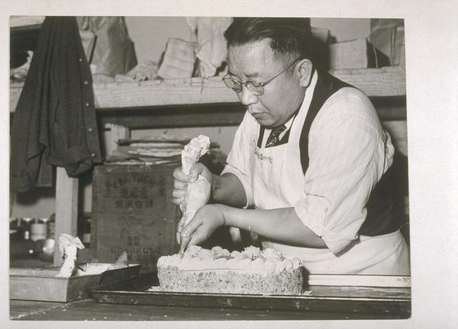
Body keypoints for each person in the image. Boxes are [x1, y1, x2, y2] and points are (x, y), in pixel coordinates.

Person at [172, 17, 410, 275]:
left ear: (302, 72)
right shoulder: (261, 107)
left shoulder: (346, 115)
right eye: (236, 82)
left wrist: (224, 215)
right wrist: (213, 186)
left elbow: (321, 226)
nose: (246, 98)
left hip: (362, 277)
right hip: (284, 270)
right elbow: (246, 180)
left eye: (257, 83)